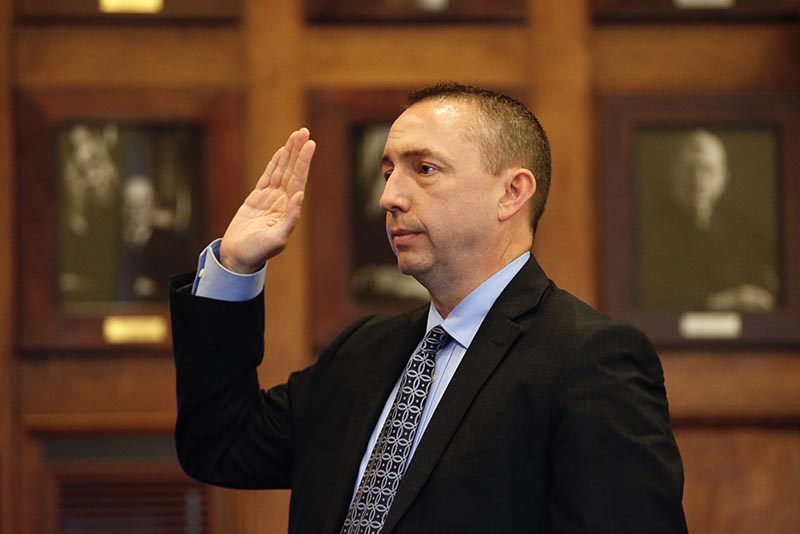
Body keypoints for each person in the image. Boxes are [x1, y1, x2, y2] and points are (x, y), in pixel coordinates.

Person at [170, 83, 687, 533]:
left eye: (424, 169)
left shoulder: (589, 359)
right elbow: (222, 443)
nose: (389, 197)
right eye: (388, 170)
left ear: (512, 193)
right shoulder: (363, 350)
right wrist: (233, 268)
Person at [638, 129, 778, 312]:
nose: (698, 180)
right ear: (673, 172)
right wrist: (719, 301)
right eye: (690, 169)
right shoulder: (649, 228)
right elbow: (653, 288)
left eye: (708, 170)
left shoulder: (742, 230)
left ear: (723, 177)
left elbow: (765, 281)